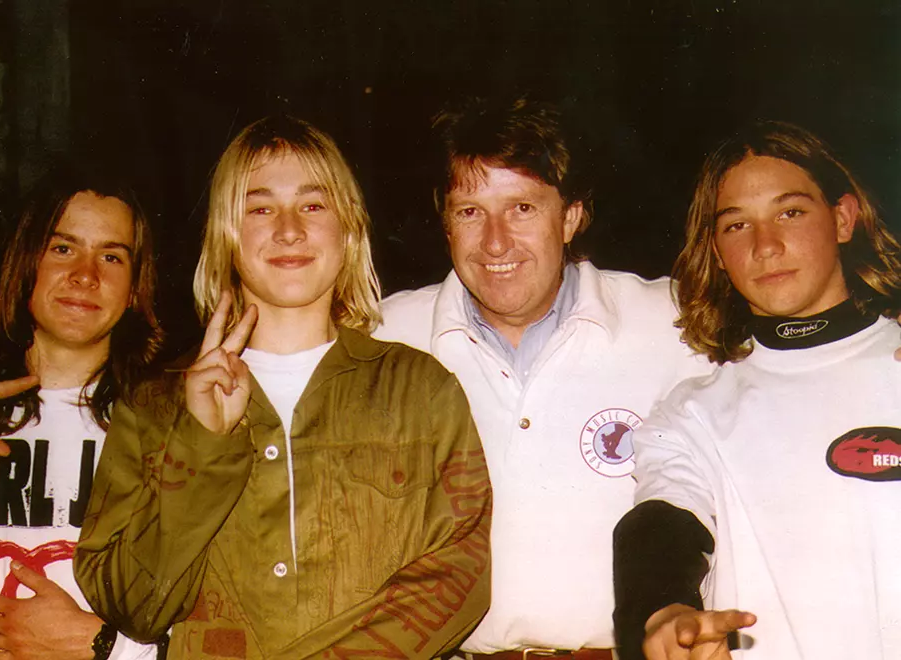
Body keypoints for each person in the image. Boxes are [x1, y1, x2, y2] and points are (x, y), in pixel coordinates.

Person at [74, 115, 492, 660]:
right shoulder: (152, 404)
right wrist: (202, 447)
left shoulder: (421, 391)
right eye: (260, 208)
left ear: (349, 228)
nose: (289, 230)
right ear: (227, 233)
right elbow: (133, 607)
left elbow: (458, 576)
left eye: (313, 206)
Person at [375, 98, 709, 658]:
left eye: (522, 208)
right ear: (445, 222)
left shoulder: (677, 324)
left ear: (571, 217)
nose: (496, 242)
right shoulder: (386, 337)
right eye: (470, 211)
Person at [613, 120, 901, 660]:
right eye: (737, 225)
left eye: (790, 212)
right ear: (717, 251)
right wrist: (664, 612)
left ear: (842, 219)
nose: (766, 246)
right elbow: (663, 522)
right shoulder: (692, 413)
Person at [0, 165, 164, 660]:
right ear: (25, 262)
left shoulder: (169, 429)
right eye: (63, 248)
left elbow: (217, 621)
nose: (85, 275)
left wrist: (105, 647)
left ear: (135, 286)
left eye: (111, 256)